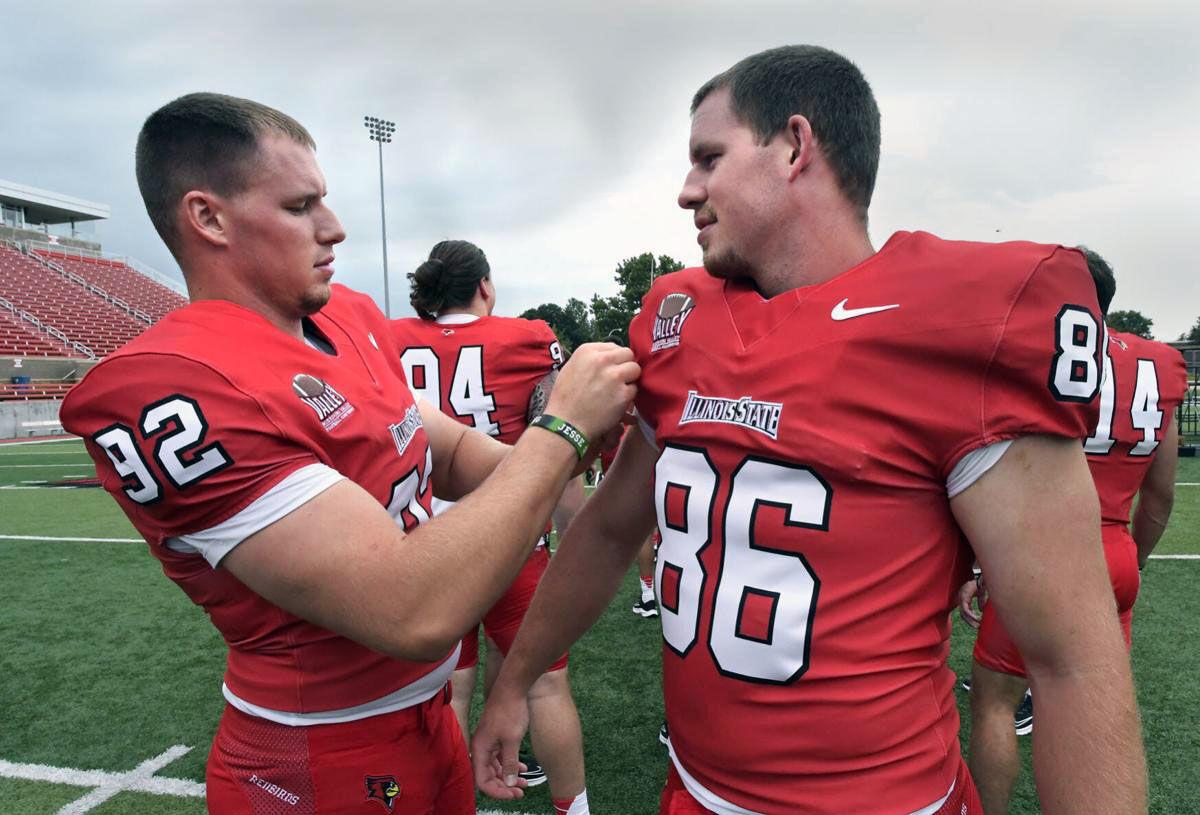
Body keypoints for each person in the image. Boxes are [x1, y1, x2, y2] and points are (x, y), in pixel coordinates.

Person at [471, 45, 1145, 815]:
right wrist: (516, 677)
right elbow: (605, 531)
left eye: (709, 156)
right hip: (693, 791)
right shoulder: (679, 315)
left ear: (794, 145)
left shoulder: (964, 322)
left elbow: (1072, 664)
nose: (687, 189)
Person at [58, 92, 637, 815]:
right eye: (301, 207)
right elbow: (410, 607)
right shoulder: (171, 388)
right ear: (208, 217)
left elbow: (447, 445)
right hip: (322, 758)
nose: (333, 228)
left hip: (425, 720)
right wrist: (562, 432)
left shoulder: (348, 318)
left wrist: (577, 466)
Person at [961, 247, 1187, 813]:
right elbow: (1159, 496)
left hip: (1043, 553)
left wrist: (981, 561)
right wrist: (1132, 559)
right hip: (1117, 548)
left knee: (993, 704)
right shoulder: (1160, 360)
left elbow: (996, 469)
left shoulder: (1034, 349)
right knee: (1090, 702)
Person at [390, 239, 589, 815]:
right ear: (484, 286)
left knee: (449, 688)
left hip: (424, 540)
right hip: (508, 539)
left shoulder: (391, 340)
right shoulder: (525, 339)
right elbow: (559, 444)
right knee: (547, 685)